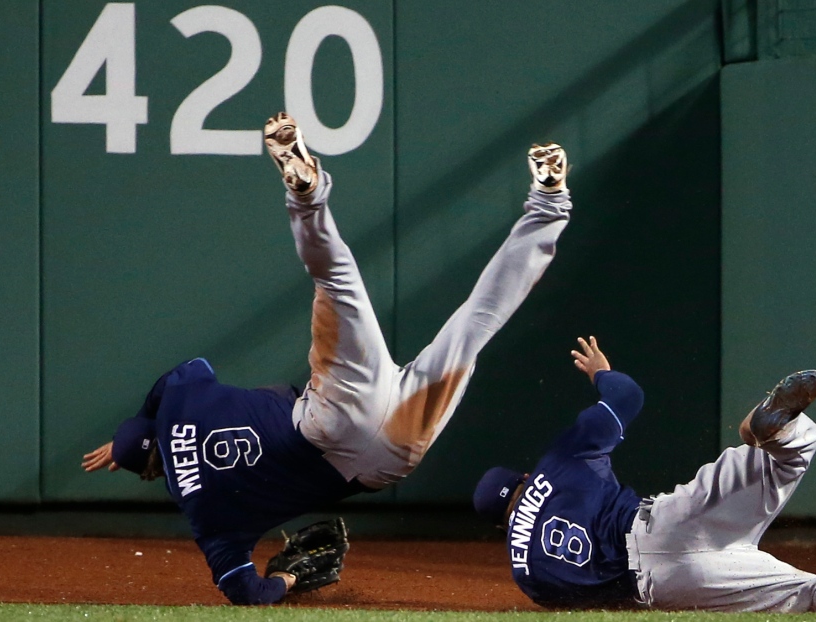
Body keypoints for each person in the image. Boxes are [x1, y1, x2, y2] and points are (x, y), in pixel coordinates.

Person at [81, 112, 574, 605]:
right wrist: (143, 420)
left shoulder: (206, 516)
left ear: (152, 471)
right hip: (329, 414)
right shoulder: (181, 404)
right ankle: (307, 197)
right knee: (336, 276)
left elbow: (245, 592)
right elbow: (181, 375)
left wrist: (288, 581)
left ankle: (549, 206)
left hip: (389, 455)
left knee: (476, 326)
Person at [473, 336, 816, 612]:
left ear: (501, 525)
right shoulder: (557, 464)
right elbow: (628, 397)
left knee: (809, 596)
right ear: (523, 477)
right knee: (793, 452)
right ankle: (770, 430)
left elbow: (589, 609)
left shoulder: (527, 574)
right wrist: (602, 372)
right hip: (669, 519)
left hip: (665, 581)